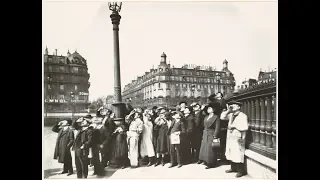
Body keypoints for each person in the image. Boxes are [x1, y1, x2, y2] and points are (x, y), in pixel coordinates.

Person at [221, 101, 248, 178]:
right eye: (232, 105)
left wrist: (234, 126)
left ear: (239, 107)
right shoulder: (231, 115)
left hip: (238, 135)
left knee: (238, 153)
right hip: (230, 136)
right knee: (231, 151)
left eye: (235, 105)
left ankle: (240, 171)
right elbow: (222, 117)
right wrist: (228, 111)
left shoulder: (243, 116)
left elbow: (245, 127)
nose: (233, 106)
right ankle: (233, 168)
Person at [198, 102, 221, 169]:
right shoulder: (206, 116)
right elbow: (203, 124)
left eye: (210, 108)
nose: (208, 109)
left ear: (213, 109)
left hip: (211, 133)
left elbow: (217, 127)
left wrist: (215, 136)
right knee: (204, 147)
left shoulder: (216, 117)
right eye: (208, 108)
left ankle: (211, 163)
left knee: (210, 149)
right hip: (205, 133)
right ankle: (205, 160)